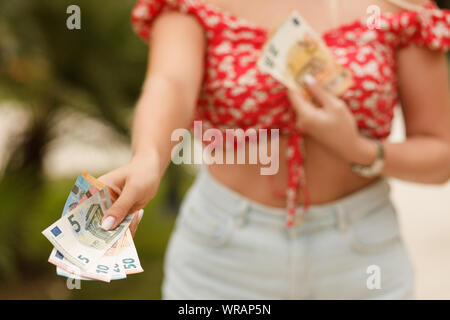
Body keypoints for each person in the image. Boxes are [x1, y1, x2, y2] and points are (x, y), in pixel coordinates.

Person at [99, 0, 450, 299]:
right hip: (222, 257)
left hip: (362, 256)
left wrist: (358, 149)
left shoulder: (404, 6)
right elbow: (170, 82)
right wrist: (149, 157)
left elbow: (440, 153)